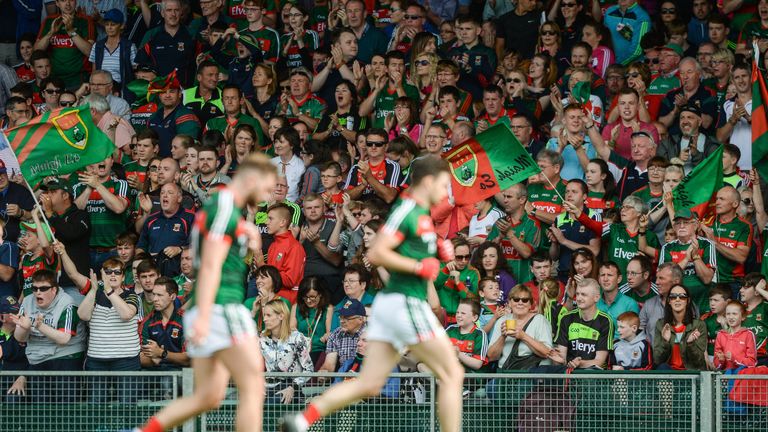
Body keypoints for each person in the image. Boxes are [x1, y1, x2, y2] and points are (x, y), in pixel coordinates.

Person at [280, 156, 465, 432]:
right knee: (453, 373)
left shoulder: (419, 214)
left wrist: (439, 249)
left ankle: (302, 420)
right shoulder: (407, 211)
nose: (446, 191)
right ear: (428, 182)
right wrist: (420, 265)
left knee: (369, 382)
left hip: (395, 305)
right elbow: (378, 252)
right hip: (406, 304)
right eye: (443, 184)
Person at [132, 153, 277, 432]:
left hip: (208, 307)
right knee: (253, 384)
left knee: (208, 396)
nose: (267, 195)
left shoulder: (223, 209)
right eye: (267, 187)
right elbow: (210, 261)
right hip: (220, 306)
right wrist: (205, 314)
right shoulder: (224, 206)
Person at [11, 269, 86, 401]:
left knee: (66, 406)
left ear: (54, 290)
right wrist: (24, 328)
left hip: (65, 356)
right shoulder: (27, 301)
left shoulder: (67, 304)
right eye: (34, 288)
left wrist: (40, 326)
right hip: (37, 357)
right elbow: (19, 338)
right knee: (41, 407)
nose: (38, 292)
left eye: (43, 288)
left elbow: (64, 338)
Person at [76, 259, 141, 402]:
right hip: (97, 360)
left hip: (126, 360)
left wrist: (109, 291)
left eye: (117, 272)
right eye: (108, 272)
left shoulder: (132, 296)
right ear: (102, 275)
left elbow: (126, 314)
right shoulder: (95, 295)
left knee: (127, 406)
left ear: (123, 277)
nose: (112, 275)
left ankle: (128, 426)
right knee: (97, 406)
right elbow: (83, 315)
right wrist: (93, 290)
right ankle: (100, 426)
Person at [548, 278, 613, 369]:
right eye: (577, 294)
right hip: (569, 372)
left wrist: (580, 363)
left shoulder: (605, 321)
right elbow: (562, 358)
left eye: (584, 295)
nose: (578, 298)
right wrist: (559, 360)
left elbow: (599, 361)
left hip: (594, 374)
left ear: (597, 298)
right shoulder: (566, 318)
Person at [658, 209, 716, 310]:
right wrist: (686, 259)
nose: (681, 226)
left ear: (696, 225)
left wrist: (696, 256)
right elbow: (665, 278)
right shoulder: (667, 247)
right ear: (674, 227)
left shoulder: (707, 244)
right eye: (678, 223)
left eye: (686, 222)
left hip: (703, 304)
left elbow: (707, 279)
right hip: (676, 304)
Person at [261, 299, 314, 404]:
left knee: (272, 403)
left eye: (268, 315)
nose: (264, 319)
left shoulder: (296, 338)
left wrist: (292, 387)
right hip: (268, 387)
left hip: (291, 386)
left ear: (281, 316)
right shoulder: (262, 339)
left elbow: (309, 369)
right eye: (264, 315)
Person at [488, 284, 553, 370]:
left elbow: (547, 352)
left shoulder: (540, 320)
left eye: (525, 300)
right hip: (505, 374)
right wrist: (503, 337)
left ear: (530, 304)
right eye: (516, 299)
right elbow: (491, 357)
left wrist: (523, 336)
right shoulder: (502, 320)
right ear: (510, 303)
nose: (520, 303)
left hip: (530, 375)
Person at [653, 284, 707, 370]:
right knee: (662, 367)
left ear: (688, 301)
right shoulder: (661, 325)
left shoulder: (698, 325)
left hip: (691, 375)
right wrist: (665, 342)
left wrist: (690, 344)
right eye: (673, 297)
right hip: (669, 375)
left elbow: (699, 361)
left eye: (682, 297)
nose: (677, 299)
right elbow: (657, 360)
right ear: (669, 301)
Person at [140, 277, 189, 370]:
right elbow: (141, 358)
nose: (155, 299)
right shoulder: (148, 322)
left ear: (173, 297)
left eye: (159, 295)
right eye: (154, 294)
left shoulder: (185, 320)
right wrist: (153, 359)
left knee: (166, 382)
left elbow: (188, 358)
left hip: (180, 373)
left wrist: (161, 353)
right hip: (154, 372)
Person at [291, 276, 334, 365]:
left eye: (312, 297)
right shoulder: (296, 307)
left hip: (318, 349)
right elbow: (291, 327)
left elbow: (330, 332)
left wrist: (327, 335)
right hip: (299, 350)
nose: (308, 300)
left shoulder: (328, 309)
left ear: (320, 294)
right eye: (305, 297)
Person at [445, 299, 490, 374]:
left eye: (463, 313)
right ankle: (440, 382)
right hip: (449, 369)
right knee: (421, 365)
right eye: (457, 312)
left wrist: (458, 354)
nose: (459, 315)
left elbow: (477, 364)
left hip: (469, 376)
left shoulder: (480, 334)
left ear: (474, 318)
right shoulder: (450, 329)